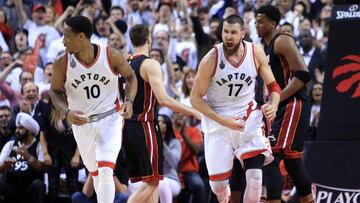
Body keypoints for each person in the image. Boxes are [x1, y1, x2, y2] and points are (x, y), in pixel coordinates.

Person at [190, 14, 281, 203]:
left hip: (249, 119)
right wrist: (224, 121)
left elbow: (273, 86)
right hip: (218, 123)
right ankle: (224, 196)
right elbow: (195, 99)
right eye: (225, 32)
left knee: (256, 179)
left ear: (243, 33)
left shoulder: (255, 52)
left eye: (233, 32)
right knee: (218, 187)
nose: (228, 36)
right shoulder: (210, 59)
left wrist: (273, 104)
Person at [49, 16, 138, 203]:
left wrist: (129, 101)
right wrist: (67, 112)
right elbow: (55, 92)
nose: (63, 41)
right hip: (82, 123)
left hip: (110, 119)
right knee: (96, 174)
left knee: (106, 170)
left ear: (81, 37)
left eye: (66, 36)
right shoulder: (61, 63)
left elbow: (130, 78)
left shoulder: (110, 55)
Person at [123, 24, 200, 203]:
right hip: (145, 125)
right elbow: (164, 99)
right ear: (149, 38)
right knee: (153, 181)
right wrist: (192, 111)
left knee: (148, 181)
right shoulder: (150, 63)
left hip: (127, 127)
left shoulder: (125, 63)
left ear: (131, 40)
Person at [255, 5, 314, 203]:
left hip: (294, 104)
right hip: (283, 106)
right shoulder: (265, 48)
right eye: (255, 20)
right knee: (292, 163)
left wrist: (277, 99)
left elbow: (303, 74)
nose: (257, 24)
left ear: (273, 23)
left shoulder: (282, 40)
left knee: (270, 158)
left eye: (261, 21)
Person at [0, 112, 45, 203]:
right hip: (11, 190)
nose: (17, 130)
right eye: (17, 128)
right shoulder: (10, 144)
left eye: (21, 128)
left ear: (30, 131)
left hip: (29, 190)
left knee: (38, 184)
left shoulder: (39, 145)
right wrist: (4, 165)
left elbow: (43, 168)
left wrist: (29, 158)